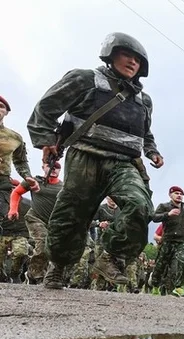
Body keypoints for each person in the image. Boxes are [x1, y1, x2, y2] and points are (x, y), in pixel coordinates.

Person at [27, 32, 164, 289]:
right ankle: (57, 266)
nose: (132, 62)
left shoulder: (143, 100)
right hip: (86, 155)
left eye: (137, 59)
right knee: (72, 214)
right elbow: (46, 107)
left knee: (140, 205)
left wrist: (152, 151)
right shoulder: (85, 79)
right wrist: (46, 140)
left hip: (124, 162)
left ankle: (110, 255)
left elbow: (145, 133)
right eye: (126, 55)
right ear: (111, 54)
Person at [7, 161, 62, 284]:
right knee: (42, 242)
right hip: (35, 218)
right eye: (50, 166)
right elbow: (16, 192)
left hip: (53, 223)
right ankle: (37, 274)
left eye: (57, 168)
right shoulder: (34, 181)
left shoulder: (62, 187)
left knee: (53, 250)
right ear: (43, 167)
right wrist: (13, 209)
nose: (54, 169)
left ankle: (32, 273)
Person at [0, 94, 39, 223]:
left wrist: (27, 176)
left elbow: (20, 161)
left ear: (6, 112)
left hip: (2, 182)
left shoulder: (15, 138)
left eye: (1, 107)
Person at [150, 186, 184, 296]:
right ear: (170, 195)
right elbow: (154, 217)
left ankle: (178, 287)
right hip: (167, 241)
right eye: (176, 193)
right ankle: (155, 285)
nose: (179, 195)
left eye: (181, 194)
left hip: (182, 242)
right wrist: (167, 214)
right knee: (160, 266)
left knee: (183, 261)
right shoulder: (164, 206)